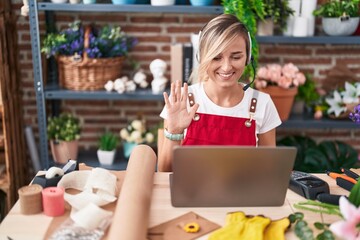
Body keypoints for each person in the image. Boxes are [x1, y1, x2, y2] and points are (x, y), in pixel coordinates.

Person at [158, 14, 281, 172]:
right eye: (216, 58)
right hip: (190, 194)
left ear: (248, 58)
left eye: (236, 57)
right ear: (202, 57)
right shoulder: (181, 101)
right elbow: (164, 173)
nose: (226, 67)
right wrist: (174, 132)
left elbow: (268, 170)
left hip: (241, 194)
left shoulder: (262, 104)